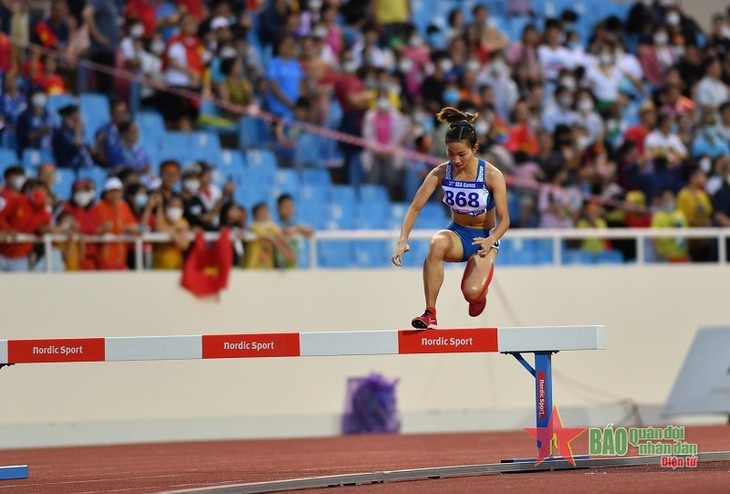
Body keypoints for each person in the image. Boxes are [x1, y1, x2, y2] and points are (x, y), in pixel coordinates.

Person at [391, 107, 509, 329]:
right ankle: (430, 313)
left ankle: (478, 294)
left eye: (461, 154)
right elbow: (415, 207)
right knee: (436, 244)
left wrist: (491, 240)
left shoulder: (492, 175)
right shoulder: (440, 172)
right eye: (450, 153)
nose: (455, 160)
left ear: (475, 148)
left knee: (472, 294)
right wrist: (402, 240)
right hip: (457, 233)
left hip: (484, 238)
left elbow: (505, 220)